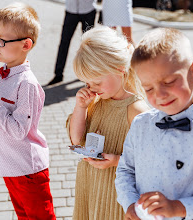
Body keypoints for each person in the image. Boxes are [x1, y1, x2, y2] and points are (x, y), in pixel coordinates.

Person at [115, 28, 193, 219]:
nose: (159, 95)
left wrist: (177, 207)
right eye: (148, 88)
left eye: (169, 81)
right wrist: (129, 203)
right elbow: (125, 169)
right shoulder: (140, 125)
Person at [0, 3, 55, 219]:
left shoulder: (27, 84)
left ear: (26, 44)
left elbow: (18, 131)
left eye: (1, 41)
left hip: (28, 171)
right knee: (23, 216)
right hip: (11, 168)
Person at [67, 26, 150, 220]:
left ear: (120, 70)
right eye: (86, 83)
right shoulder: (95, 101)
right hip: (91, 186)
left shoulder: (136, 110)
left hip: (116, 195)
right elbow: (76, 139)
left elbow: (151, 163)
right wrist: (80, 108)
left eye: (96, 82)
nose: (92, 89)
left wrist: (115, 161)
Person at [46, 0, 96, 86]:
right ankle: (58, 74)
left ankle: (88, 74)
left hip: (88, 10)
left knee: (88, 45)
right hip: (71, 10)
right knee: (64, 42)